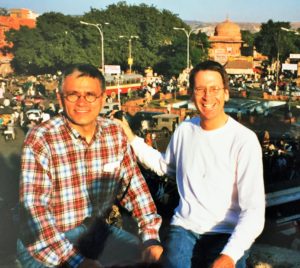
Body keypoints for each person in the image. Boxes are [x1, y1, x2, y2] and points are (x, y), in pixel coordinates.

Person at [117, 60, 265, 268]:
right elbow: (165, 166)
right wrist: (132, 139)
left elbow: (254, 211)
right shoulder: (185, 130)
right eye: (200, 89)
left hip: (226, 232)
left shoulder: (243, 140)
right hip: (185, 228)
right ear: (192, 93)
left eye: (214, 89)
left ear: (226, 93)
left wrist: (229, 256)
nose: (207, 96)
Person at [17, 63, 163, 268]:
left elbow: (134, 189)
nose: (82, 102)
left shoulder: (114, 133)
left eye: (90, 95)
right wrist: (77, 262)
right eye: (73, 95)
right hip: (48, 242)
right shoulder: (42, 138)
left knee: (151, 261)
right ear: (60, 98)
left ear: (103, 98)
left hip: (96, 233)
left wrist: (150, 238)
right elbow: (35, 210)